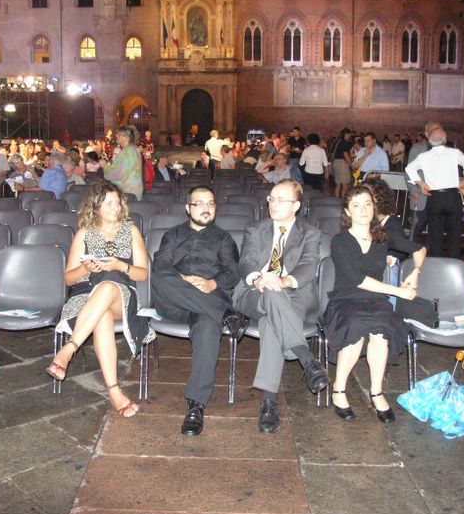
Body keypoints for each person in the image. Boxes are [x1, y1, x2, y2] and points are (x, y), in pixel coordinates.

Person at [150, 186, 250, 436]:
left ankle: (196, 404)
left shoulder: (223, 239)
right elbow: (161, 265)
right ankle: (226, 314)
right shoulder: (172, 235)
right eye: (200, 203)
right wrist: (184, 280)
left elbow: (232, 273)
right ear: (188, 208)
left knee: (207, 326)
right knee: (158, 278)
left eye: (210, 203)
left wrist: (212, 283)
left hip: (207, 300)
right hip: (174, 299)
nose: (206, 208)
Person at [47, 181, 150, 417]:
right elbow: (69, 280)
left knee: (107, 287)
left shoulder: (130, 230)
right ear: (96, 207)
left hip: (122, 295)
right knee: (101, 316)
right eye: (109, 203)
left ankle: (69, 348)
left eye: (117, 202)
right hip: (86, 297)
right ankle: (114, 390)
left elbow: (143, 274)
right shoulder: (84, 234)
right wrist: (85, 268)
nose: (116, 207)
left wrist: (119, 265)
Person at [323, 185, 425, 423]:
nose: (363, 210)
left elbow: (420, 249)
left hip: (375, 299)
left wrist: (416, 271)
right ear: (347, 212)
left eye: (367, 204)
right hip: (345, 299)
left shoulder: (383, 238)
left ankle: (377, 392)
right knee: (356, 327)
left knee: (381, 331)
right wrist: (398, 291)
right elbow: (357, 280)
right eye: (356, 205)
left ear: (374, 207)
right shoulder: (340, 241)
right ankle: (339, 389)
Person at [232, 179, 327, 434]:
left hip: (294, 296)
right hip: (254, 293)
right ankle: (306, 358)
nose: (273, 204)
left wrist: (282, 281)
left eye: (280, 200)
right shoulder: (256, 228)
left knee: (271, 322)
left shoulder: (310, 233)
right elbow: (247, 261)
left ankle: (269, 401)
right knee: (272, 297)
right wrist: (259, 279)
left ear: (296, 205)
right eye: (271, 199)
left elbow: (308, 266)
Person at [405, 123, 464, 257]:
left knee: (435, 234)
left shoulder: (424, 156)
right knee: (454, 233)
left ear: (430, 140)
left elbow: (409, 168)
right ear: (445, 139)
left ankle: (436, 261)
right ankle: (454, 260)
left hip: (435, 197)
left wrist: (421, 184)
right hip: (452, 196)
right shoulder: (454, 153)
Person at [102, 125, 143, 199]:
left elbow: (117, 174)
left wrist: (105, 166)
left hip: (127, 193)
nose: (116, 136)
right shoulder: (132, 150)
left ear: (126, 137)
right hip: (131, 192)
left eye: (119, 134)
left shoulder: (128, 152)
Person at [330, 128, 354, 198]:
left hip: (336, 162)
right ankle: (343, 201)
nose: (350, 136)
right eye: (349, 134)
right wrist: (351, 165)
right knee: (345, 185)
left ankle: (336, 200)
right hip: (342, 163)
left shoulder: (338, 141)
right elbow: (346, 155)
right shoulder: (345, 142)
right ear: (346, 134)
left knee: (338, 184)